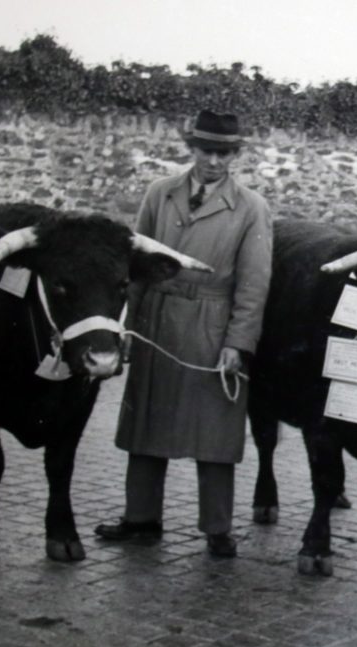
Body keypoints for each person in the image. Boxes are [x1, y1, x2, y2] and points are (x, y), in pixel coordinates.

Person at [95, 109, 273, 558]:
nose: (214, 161)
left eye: (225, 153)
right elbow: (135, 264)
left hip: (210, 327)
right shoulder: (161, 193)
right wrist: (127, 326)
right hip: (156, 319)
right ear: (191, 148)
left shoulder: (251, 208)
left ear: (235, 155)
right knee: (146, 419)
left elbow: (253, 285)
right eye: (207, 150)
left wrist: (237, 342)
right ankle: (141, 519)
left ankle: (217, 528)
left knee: (213, 429)